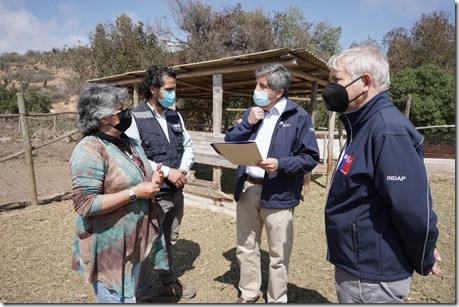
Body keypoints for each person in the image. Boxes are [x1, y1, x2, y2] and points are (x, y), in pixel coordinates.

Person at [321, 45, 441, 303]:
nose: (329, 87)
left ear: (365, 82)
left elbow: (413, 212)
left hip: (373, 277)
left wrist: (425, 255)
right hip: (359, 266)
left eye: (336, 80)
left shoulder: (387, 130)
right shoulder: (363, 124)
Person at [224, 63, 320, 303]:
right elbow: (230, 139)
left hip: (279, 193)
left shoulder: (298, 117)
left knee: (278, 254)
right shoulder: (252, 112)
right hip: (248, 188)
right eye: (257, 84)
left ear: (278, 92)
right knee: (246, 247)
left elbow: (310, 158)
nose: (256, 89)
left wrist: (281, 164)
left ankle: (277, 299)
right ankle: (248, 292)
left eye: (262, 86)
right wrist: (247, 122)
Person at [69, 83, 169, 303]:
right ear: (103, 117)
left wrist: (152, 181)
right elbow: (85, 204)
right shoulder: (90, 149)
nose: (127, 112)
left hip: (133, 241)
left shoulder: (130, 143)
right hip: (109, 249)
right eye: (120, 109)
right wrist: (135, 192)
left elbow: (136, 179)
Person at [125, 64, 196, 300]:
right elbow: (136, 157)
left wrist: (182, 170)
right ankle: (143, 295)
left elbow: (187, 146)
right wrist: (168, 172)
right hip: (154, 195)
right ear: (154, 89)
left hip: (176, 192)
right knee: (148, 245)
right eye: (169, 89)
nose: (174, 93)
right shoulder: (136, 117)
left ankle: (167, 282)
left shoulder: (175, 115)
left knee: (169, 240)